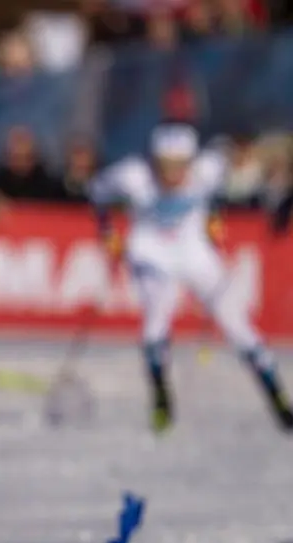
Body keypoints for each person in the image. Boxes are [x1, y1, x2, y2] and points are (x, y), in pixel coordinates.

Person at [89, 122, 293, 433]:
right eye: (165, 166)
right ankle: (161, 397)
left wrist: (215, 212)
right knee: (156, 319)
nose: (173, 174)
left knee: (237, 325)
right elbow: (97, 191)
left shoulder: (208, 169)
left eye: (180, 166)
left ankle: (277, 397)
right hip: (152, 255)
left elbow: (245, 161)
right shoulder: (132, 176)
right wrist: (107, 231)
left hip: (195, 254)